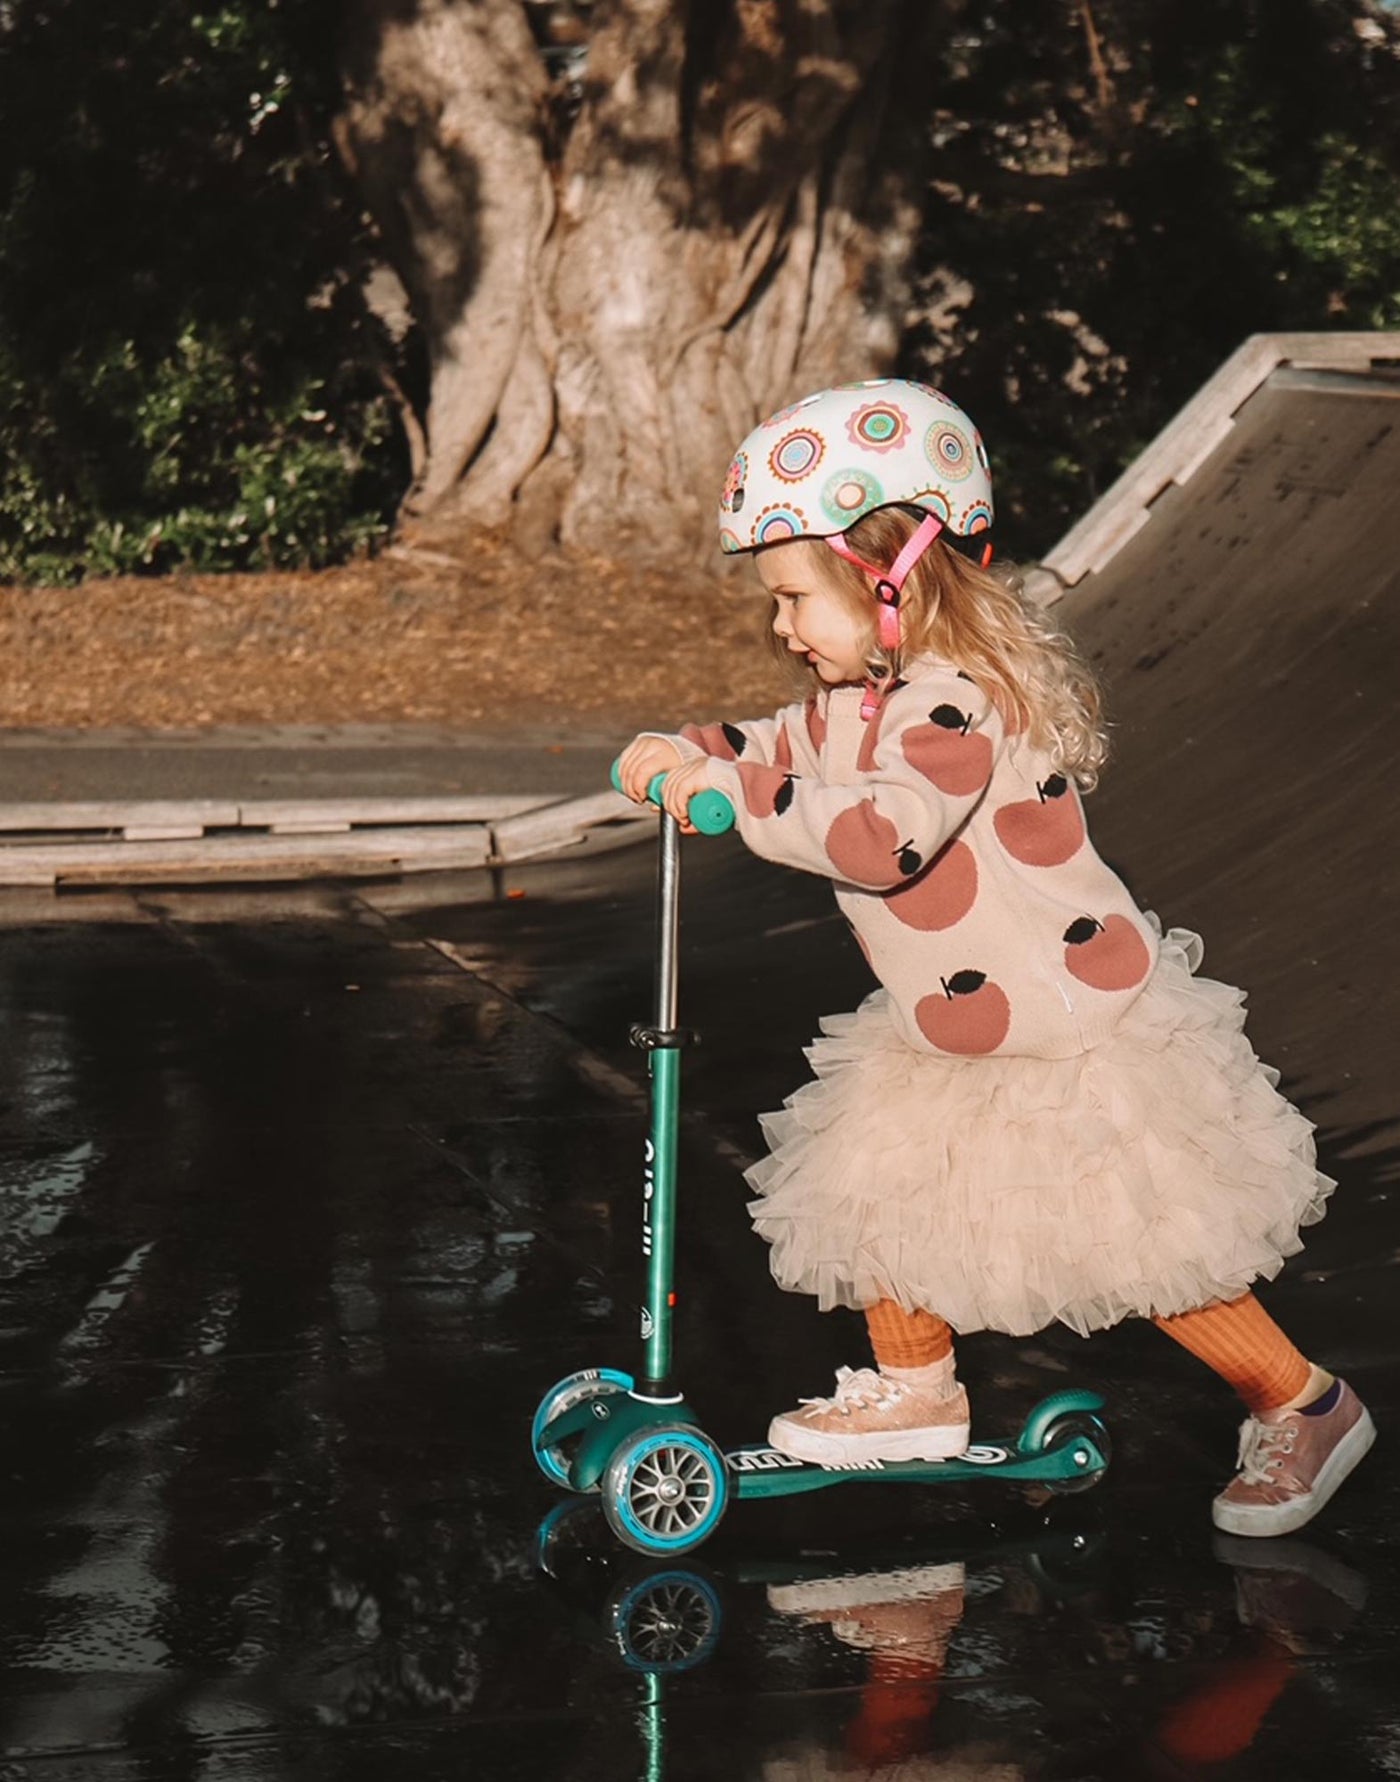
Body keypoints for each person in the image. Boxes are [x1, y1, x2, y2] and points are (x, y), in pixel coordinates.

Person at [617, 379, 1374, 1538]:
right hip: (955, 1026)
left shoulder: (953, 709)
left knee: (1141, 1241)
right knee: (879, 1191)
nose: (778, 628)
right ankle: (915, 1390)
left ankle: (1302, 1404)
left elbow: (880, 837)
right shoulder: (858, 696)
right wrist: (694, 748)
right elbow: (779, 743)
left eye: (789, 600)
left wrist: (723, 793)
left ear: (889, 581)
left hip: (1067, 1026)